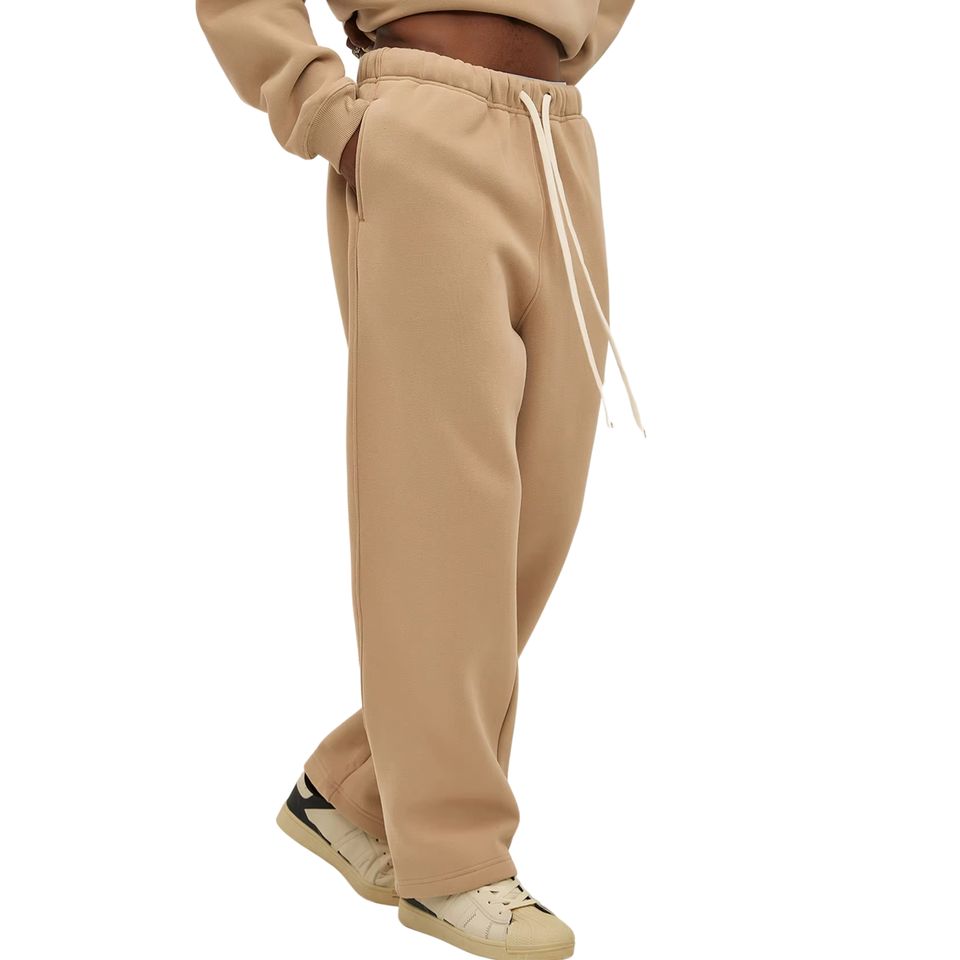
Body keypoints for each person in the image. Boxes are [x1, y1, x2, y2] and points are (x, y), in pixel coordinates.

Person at [196, 4, 642, 958]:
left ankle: (353, 796)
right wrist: (322, 106)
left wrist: (571, 43)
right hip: (420, 127)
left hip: (558, 137)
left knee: (534, 524)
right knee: (440, 515)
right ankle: (453, 862)